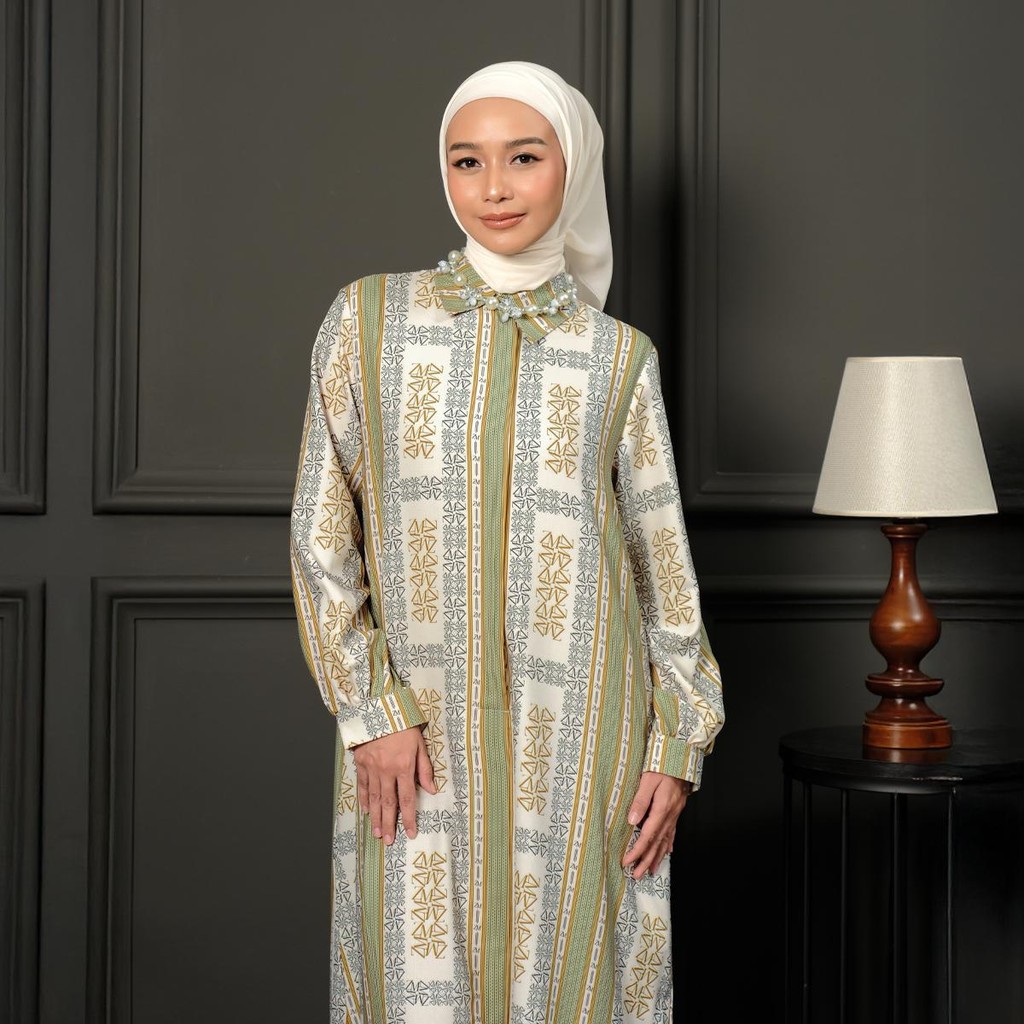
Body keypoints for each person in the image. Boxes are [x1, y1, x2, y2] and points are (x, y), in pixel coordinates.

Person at [290, 60, 724, 1024]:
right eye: (467, 160)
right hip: (417, 735)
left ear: (574, 166)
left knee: (574, 983)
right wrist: (372, 711)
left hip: (586, 738)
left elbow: (663, 571)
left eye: (524, 158)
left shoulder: (619, 357)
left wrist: (677, 742)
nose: (493, 187)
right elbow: (323, 536)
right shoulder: (368, 320)